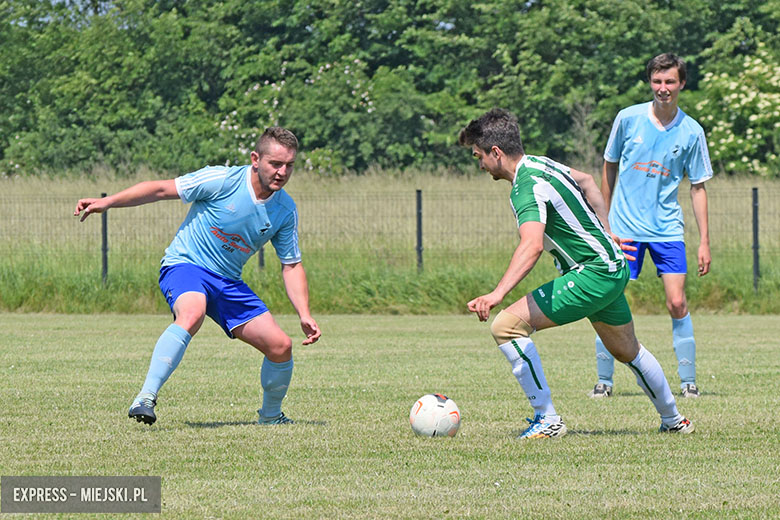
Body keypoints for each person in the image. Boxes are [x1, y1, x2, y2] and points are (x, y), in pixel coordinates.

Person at [459, 108, 694, 439]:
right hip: (611, 266)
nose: (480, 165)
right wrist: (606, 230)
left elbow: (531, 245)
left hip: (593, 273)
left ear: (496, 152)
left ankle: (547, 419)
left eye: (479, 157)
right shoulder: (541, 164)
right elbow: (586, 181)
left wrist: (497, 294)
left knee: (506, 327)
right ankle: (674, 419)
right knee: (627, 350)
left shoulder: (525, 186)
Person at [74, 127, 321, 426]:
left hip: (228, 281)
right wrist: (108, 201)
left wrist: (304, 313)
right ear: (255, 159)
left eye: (289, 165)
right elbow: (160, 189)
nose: (282, 172)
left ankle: (270, 417)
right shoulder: (222, 180)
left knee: (281, 346)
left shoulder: (285, 209)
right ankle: (145, 397)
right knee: (192, 313)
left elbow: (291, 265)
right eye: (275, 164)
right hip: (186, 266)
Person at [589, 53, 712, 400]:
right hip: (624, 229)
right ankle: (604, 381)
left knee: (677, 302)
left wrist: (704, 241)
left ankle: (688, 382)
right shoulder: (628, 119)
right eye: (657, 81)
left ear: (681, 83)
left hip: (668, 231)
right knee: (608, 299)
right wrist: (604, 222)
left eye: (670, 81)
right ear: (650, 83)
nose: (663, 88)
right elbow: (609, 166)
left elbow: (698, 187)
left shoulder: (692, 131)